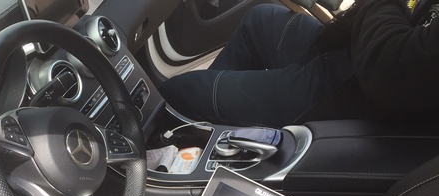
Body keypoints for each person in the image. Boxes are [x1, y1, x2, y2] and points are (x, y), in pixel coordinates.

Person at [158, 0, 439, 128]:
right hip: (356, 46)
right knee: (259, 20)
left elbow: (391, 69)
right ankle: (210, 132)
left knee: (180, 90)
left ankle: (177, 137)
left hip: (357, 92)